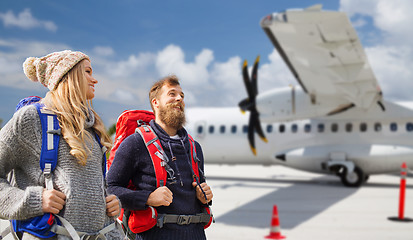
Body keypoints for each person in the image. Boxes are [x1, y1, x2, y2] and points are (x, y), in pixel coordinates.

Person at [0, 50, 123, 239]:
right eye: (88, 72)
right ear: (67, 76)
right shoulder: (31, 119)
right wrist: (33, 200)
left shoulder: (92, 129)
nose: (95, 80)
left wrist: (109, 201)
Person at [107, 75, 213, 239]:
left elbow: (196, 190)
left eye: (182, 96)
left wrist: (204, 196)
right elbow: (110, 188)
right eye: (172, 94)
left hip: (196, 234)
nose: (179, 98)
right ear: (155, 103)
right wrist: (147, 198)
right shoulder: (135, 143)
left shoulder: (194, 147)